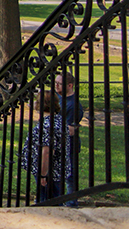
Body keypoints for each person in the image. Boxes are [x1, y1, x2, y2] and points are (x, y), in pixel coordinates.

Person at [20, 90, 70, 203]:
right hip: (58, 171)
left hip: (50, 174)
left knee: (46, 202)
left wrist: (43, 174)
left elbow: (47, 152)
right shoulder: (59, 120)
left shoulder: (47, 125)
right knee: (54, 200)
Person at [56, 72, 84, 207]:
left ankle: (72, 202)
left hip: (69, 145)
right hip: (56, 144)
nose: (55, 86)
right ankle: (57, 199)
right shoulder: (58, 97)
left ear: (70, 85)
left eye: (59, 84)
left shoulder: (74, 105)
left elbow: (71, 130)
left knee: (70, 175)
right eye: (55, 82)